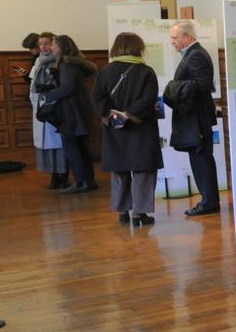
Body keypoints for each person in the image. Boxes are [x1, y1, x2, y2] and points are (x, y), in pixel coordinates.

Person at [91, 33, 163, 227]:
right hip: (141, 127)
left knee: (119, 170)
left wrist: (111, 115)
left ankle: (122, 210)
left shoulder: (105, 71)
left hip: (114, 129)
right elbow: (149, 98)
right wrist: (128, 114)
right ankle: (140, 213)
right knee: (144, 170)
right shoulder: (146, 71)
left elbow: (97, 98)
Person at [167, 21, 220, 216]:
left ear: (187, 37)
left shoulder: (196, 55)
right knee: (199, 158)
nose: (172, 41)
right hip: (194, 116)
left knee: (201, 159)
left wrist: (175, 88)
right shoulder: (191, 54)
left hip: (197, 117)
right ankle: (208, 200)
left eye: (175, 37)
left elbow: (203, 84)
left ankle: (209, 202)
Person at [39, 34, 98, 194]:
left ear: (61, 47)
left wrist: (47, 95)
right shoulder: (73, 63)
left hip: (72, 111)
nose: (51, 47)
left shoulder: (66, 64)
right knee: (81, 147)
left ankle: (81, 182)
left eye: (54, 44)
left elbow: (67, 88)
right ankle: (88, 181)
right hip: (77, 110)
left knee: (72, 148)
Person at [28, 32, 69, 190]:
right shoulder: (38, 61)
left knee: (59, 143)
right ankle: (53, 176)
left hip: (55, 107)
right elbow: (33, 84)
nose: (43, 47)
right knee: (46, 144)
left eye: (46, 43)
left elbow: (62, 85)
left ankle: (64, 176)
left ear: (53, 44)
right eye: (40, 44)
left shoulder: (59, 61)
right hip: (41, 106)